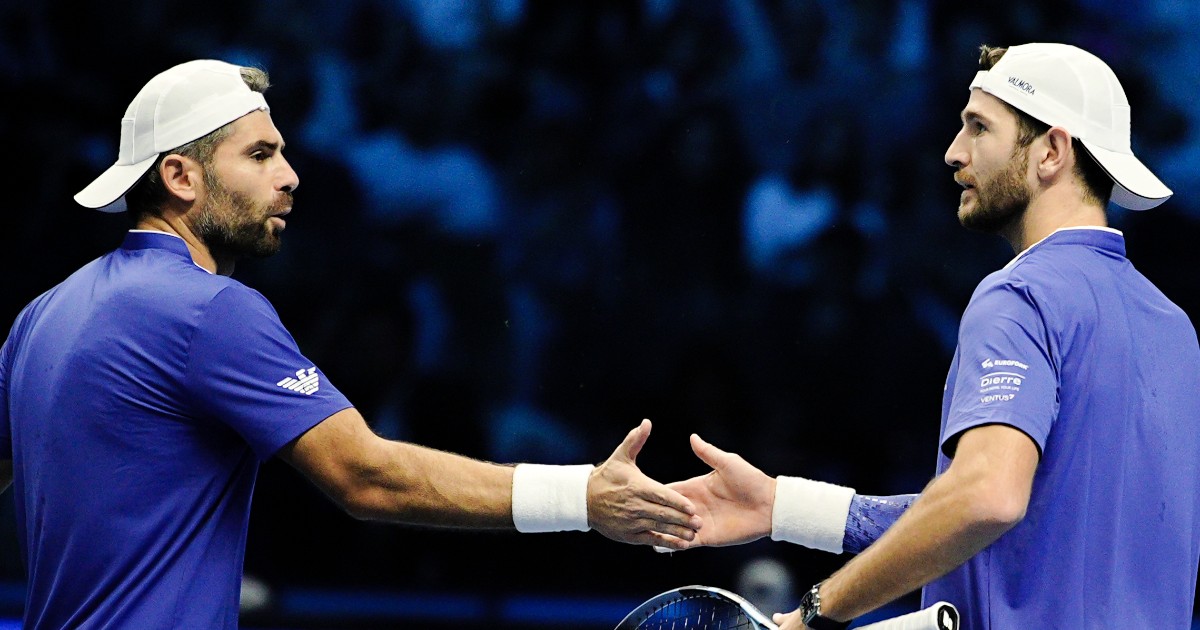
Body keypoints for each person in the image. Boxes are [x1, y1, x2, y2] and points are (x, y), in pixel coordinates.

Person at [0, 59, 701, 628]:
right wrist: (582, 496)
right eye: (261, 154)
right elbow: (365, 477)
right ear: (181, 176)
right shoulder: (211, 311)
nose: (290, 175)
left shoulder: (40, 317)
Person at [663, 43, 1200, 629]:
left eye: (978, 128)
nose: (953, 152)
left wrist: (816, 613)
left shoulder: (1020, 296)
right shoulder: (1173, 327)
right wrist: (784, 507)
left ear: (1052, 151)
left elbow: (984, 498)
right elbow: (998, 522)